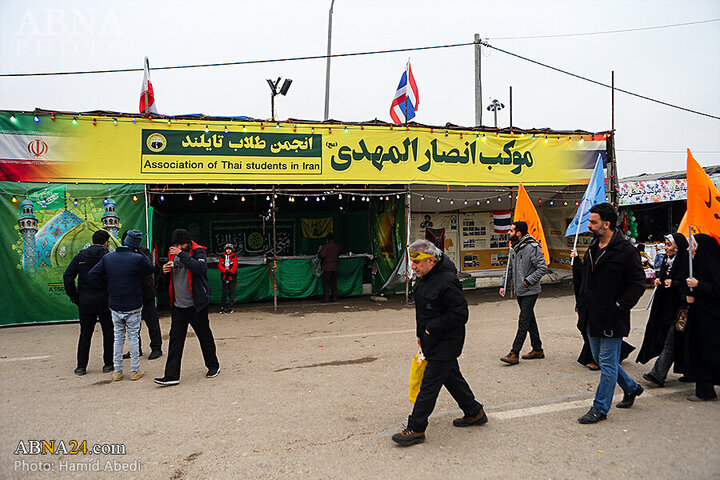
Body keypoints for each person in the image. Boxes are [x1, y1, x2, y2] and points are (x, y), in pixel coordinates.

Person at [392, 239, 486, 446]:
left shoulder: (447, 280)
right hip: (431, 340)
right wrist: (420, 334)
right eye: (412, 263)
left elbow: (460, 314)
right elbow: (423, 310)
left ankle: (416, 428)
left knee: (429, 385)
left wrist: (432, 327)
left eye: (417, 263)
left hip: (447, 341)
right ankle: (474, 411)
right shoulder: (424, 277)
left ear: (432, 261)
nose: (413, 267)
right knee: (452, 378)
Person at [571, 203, 646, 424]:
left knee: (607, 361)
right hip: (591, 316)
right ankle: (631, 388)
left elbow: (638, 283)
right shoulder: (593, 248)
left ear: (606, 224)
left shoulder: (626, 251)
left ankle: (600, 408)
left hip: (613, 317)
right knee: (601, 359)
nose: (589, 226)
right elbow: (587, 278)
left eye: (593, 222)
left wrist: (620, 306)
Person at [154, 229, 220, 386]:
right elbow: (168, 280)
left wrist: (181, 254)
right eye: (175, 245)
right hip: (178, 306)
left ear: (188, 243)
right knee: (175, 341)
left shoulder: (198, 251)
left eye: (181, 245)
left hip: (196, 305)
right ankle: (171, 375)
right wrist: (164, 272)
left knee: (205, 337)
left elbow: (199, 269)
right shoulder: (173, 254)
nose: (178, 248)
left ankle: (213, 366)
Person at [88, 230, 154, 382]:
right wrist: (139, 252)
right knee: (133, 337)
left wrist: (109, 285)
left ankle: (117, 371)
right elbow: (150, 269)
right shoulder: (137, 258)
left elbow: (92, 275)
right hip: (134, 304)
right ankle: (134, 370)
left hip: (115, 303)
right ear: (135, 244)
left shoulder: (108, 258)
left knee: (118, 337)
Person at [636, 233, 689, 387]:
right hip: (667, 308)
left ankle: (658, 374)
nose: (666, 248)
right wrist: (660, 279)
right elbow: (664, 275)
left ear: (677, 247)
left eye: (669, 245)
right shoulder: (667, 260)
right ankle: (691, 372)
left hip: (682, 309)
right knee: (674, 340)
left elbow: (688, 285)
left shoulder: (686, 263)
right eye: (665, 244)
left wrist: (675, 283)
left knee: (671, 341)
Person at [63, 230, 114, 376]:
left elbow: (68, 277)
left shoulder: (81, 256)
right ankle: (108, 364)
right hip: (105, 300)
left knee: (85, 333)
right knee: (108, 332)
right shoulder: (108, 257)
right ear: (106, 242)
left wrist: (74, 297)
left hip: (85, 301)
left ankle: (81, 366)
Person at [499, 221, 548, 365]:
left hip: (530, 290)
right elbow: (509, 268)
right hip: (520, 290)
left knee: (523, 321)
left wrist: (528, 281)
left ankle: (514, 353)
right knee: (530, 320)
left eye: (511, 231)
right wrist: (503, 284)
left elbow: (542, 267)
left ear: (518, 233)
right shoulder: (514, 247)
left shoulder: (532, 248)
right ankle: (538, 349)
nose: (509, 233)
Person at [683, 233, 720, 401]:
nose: (689, 248)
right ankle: (704, 390)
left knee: (711, 353)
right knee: (700, 352)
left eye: (693, 245)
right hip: (700, 316)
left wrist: (699, 285)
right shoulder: (697, 264)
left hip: (713, 318)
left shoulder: (714, 264)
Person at [120, 230, 163, 360]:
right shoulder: (121, 254)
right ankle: (135, 349)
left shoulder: (144, 252)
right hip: (131, 295)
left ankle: (156, 348)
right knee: (133, 325)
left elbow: (149, 267)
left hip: (146, 293)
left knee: (152, 323)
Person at [319, 233, 341, 303]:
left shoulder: (326, 246)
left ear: (327, 239)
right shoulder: (337, 247)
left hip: (327, 268)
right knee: (334, 284)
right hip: (335, 268)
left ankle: (326, 298)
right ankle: (334, 298)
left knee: (326, 284)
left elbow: (322, 255)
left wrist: (319, 252)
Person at [218, 243, 238, 314]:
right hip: (224, 277)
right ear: (225, 250)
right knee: (224, 292)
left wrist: (230, 272)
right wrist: (225, 271)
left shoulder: (234, 256)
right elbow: (220, 266)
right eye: (227, 249)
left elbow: (235, 266)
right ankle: (222, 307)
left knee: (231, 292)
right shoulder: (222, 256)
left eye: (230, 249)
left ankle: (230, 307)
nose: (228, 250)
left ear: (232, 250)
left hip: (232, 277)